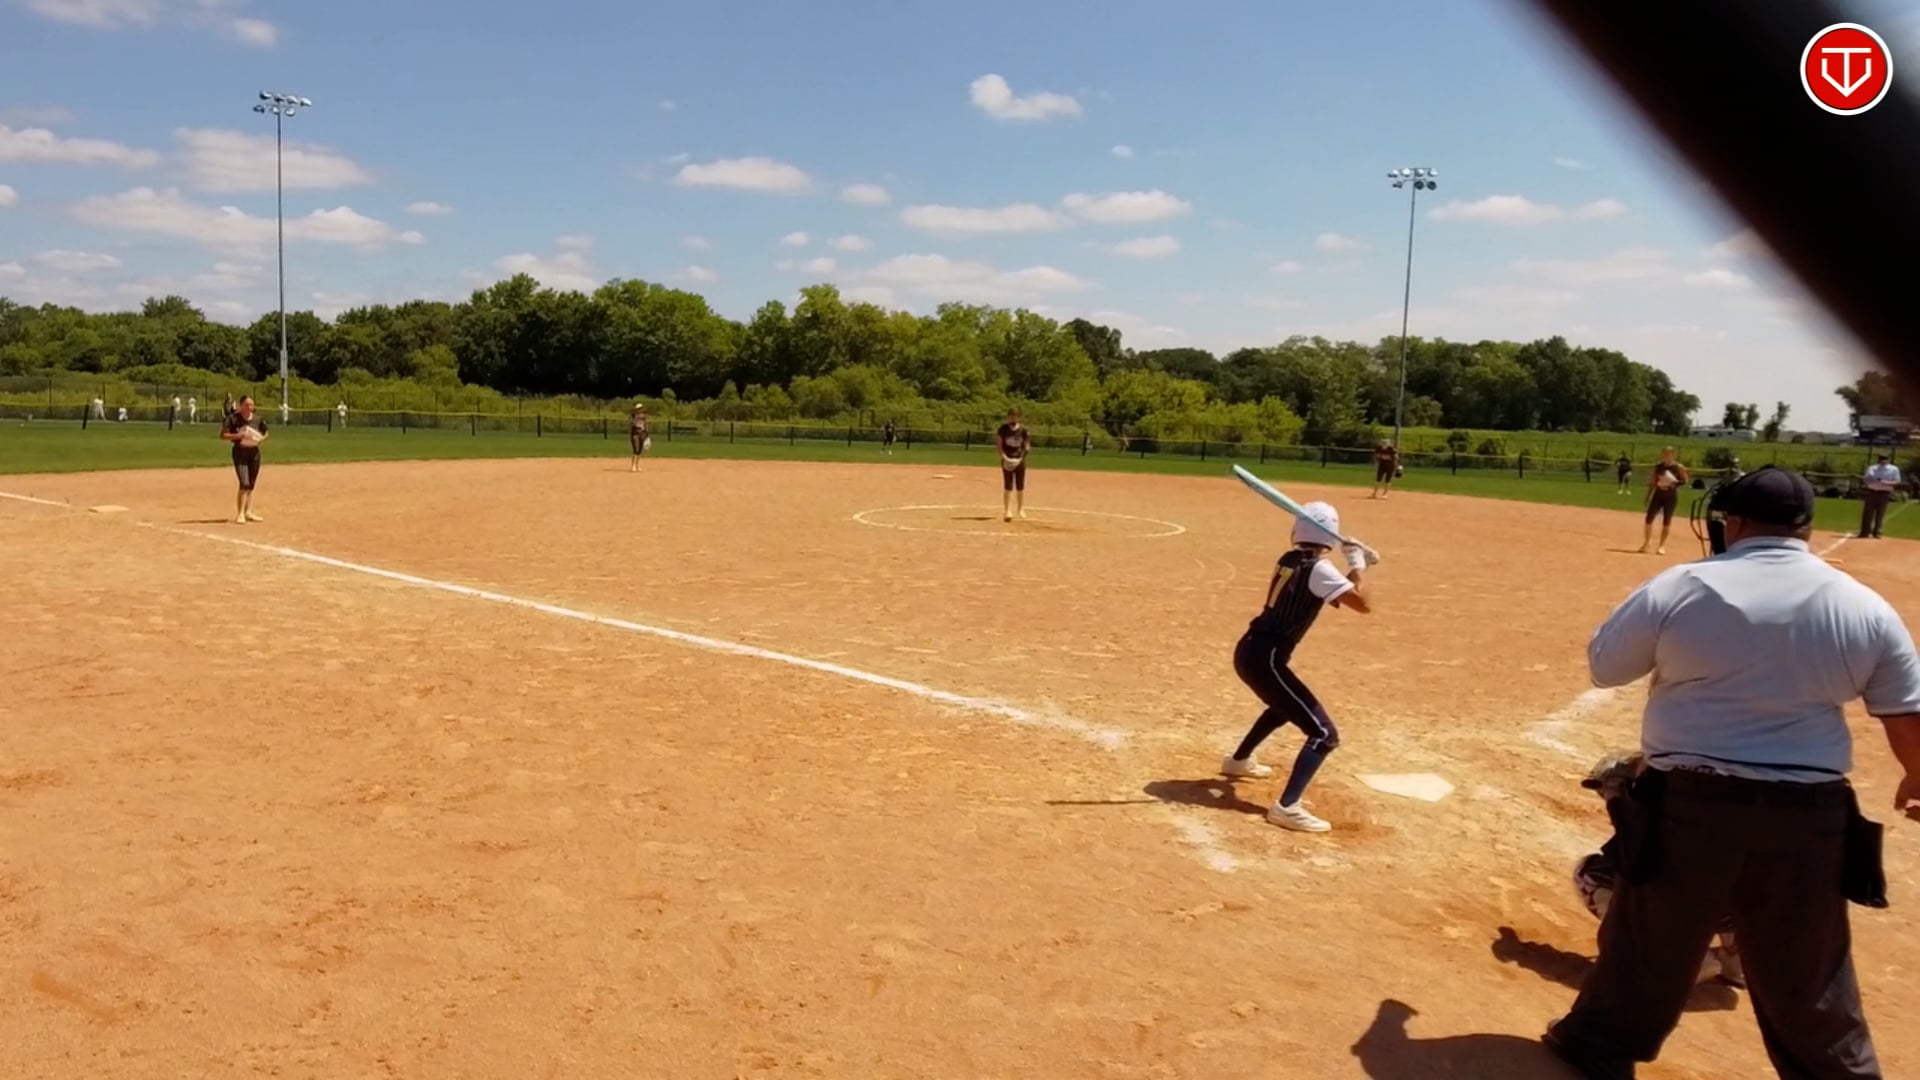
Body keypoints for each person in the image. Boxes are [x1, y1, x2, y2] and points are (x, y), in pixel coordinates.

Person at [1544, 466, 1920, 1080]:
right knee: (1811, 971)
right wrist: (1917, 775)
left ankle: (1599, 1044)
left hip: (1691, 803)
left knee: (1650, 937)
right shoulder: (1863, 605)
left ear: (1734, 523)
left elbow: (1606, 667)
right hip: (1811, 812)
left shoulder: (1683, 584)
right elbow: (1905, 711)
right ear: (1806, 527)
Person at [1220, 501, 1375, 833]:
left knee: (1282, 707)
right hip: (1266, 660)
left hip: (1252, 652)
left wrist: (1356, 566)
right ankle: (1287, 807)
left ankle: (1238, 761)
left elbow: (1335, 592)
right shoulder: (1320, 570)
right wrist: (1357, 564)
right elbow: (1362, 604)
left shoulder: (1290, 560)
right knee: (1324, 735)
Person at [1571, 750, 1743, 989]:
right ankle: (1737, 961)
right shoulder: (1714, 799)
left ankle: (1681, 959)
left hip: (1698, 903)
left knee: (1592, 874)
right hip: (1751, 907)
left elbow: (1635, 868)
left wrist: (1616, 802)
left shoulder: (1655, 818)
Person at [220, 395, 270, 524]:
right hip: (240, 452)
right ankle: (240, 513)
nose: (249, 407)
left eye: (251, 404)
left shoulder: (258, 419)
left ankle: (248, 512)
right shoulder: (233, 419)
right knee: (244, 482)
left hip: (254, 453)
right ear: (241, 405)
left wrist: (260, 438)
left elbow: (266, 432)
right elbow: (223, 435)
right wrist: (238, 435)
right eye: (247, 404)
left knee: (251, 483)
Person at [1637, 447, 1688, 555]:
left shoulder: (1678, 467)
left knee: (1667, 520)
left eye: (1669, 453)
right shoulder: (1658, 467)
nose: (1666, 455)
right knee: (1649, 518)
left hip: (1671, 496)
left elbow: (1685, 480)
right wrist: (1647, 496)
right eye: (1665, 453)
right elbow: (1653, 482)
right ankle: (1647, 542)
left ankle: (1661, 546)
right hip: (1658, 494)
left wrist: (1673, 483)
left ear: (1673, 454)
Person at [996, 408, 1031, 522]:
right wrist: (1004, 457)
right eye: (1011, 416)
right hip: (1007, 459)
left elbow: (1027, 446)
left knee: (1020, 485)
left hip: (1019, 460)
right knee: (1008, 485)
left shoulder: (1023, 430)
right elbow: (999, 444)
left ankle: (1020, 509)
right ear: (1008, 417)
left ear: (1018, 417)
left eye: (1015, 416)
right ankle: (1007, 510)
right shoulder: (1003, 429)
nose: (1013, 418)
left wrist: (1021, 458)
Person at [1859, 453, 1900, 539]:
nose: (1883, 461)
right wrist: (1870, 480)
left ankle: (1877, 532)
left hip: (1884, 492)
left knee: (1880, 513)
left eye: (1885, 459)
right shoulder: (1872, 468)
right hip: (1872, 491)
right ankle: (1865, 532)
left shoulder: (1894, 469)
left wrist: (1885, 482)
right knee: (1868, 512)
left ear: (1888, 459)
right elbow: (1866, 478)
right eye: (1881, 459)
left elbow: (1897, 481)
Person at [627, 403, 650, 472]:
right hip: (635, 433)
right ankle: (633, 466)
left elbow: (646, 424)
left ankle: (637, 465)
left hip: (642, 432)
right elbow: (630, 425)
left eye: (640, 408)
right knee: (635, 449)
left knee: (640, 450)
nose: (639, 410)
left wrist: (647, 433)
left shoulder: (644, 416)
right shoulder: (633, 416)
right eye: (638, 408)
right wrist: (630, 434)